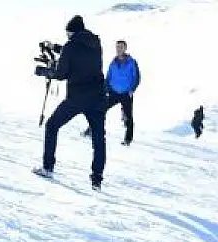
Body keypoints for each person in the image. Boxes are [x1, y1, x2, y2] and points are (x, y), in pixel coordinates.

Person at [34, 15, 107, 190]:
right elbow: (77, 53)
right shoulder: (96, 43)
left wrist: (44, 71)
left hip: (77, 98)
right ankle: (97, 179)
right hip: (97, 97)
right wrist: (55, 47)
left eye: (68, 33)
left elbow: (61, 73)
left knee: (52, 126)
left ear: (72, 32)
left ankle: (48, 167)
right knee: (98, 138)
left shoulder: (70, 46)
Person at [83, 40, 141, 145]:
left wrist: (132, 90)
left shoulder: (132, 62)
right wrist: (106, 90)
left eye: (121, 47)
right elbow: (108, 77)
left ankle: (127, 140)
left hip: (126, 94)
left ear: (125, 48)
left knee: (128, 117)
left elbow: (137, 78)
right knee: (100, 110)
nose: (119, 49)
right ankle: (92, 130)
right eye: (117, 47)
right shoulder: (113, 62)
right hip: (113, 93)